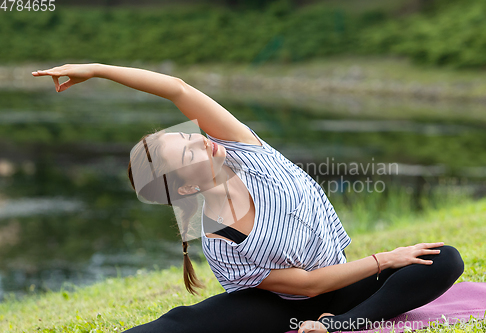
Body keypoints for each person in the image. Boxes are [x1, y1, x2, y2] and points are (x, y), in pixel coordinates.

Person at [32, 64, 464, 333]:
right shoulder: (222, 242)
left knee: (444, 259)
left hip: (344, 288)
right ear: (185, 188)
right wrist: (386, 257)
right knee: (183, 325)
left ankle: (338, 328)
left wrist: (98, 70)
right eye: (188, 152)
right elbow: (309, 286)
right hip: (281, 307)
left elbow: (178, 89)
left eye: (189, 135)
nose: (201, 141)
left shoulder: (242, 147)